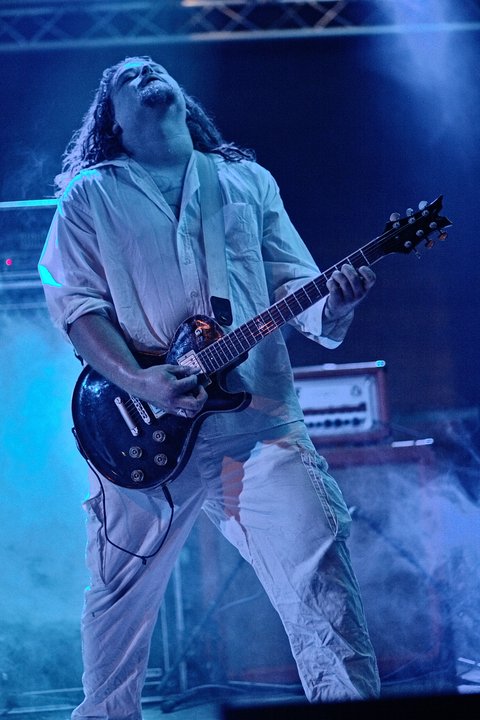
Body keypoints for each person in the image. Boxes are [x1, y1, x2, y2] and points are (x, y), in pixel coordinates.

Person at [38, 56, 380, 719]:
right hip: (141, 430)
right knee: (117, 602)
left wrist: (335, 302)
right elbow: (77, 308)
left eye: (153, 66)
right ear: (112, 119)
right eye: (128, 75)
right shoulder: (89, 194)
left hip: (259, 424)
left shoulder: (245, 180)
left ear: (183, 98)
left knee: (321, 581)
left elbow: (294, 283)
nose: (145, 69)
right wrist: (140, 380)